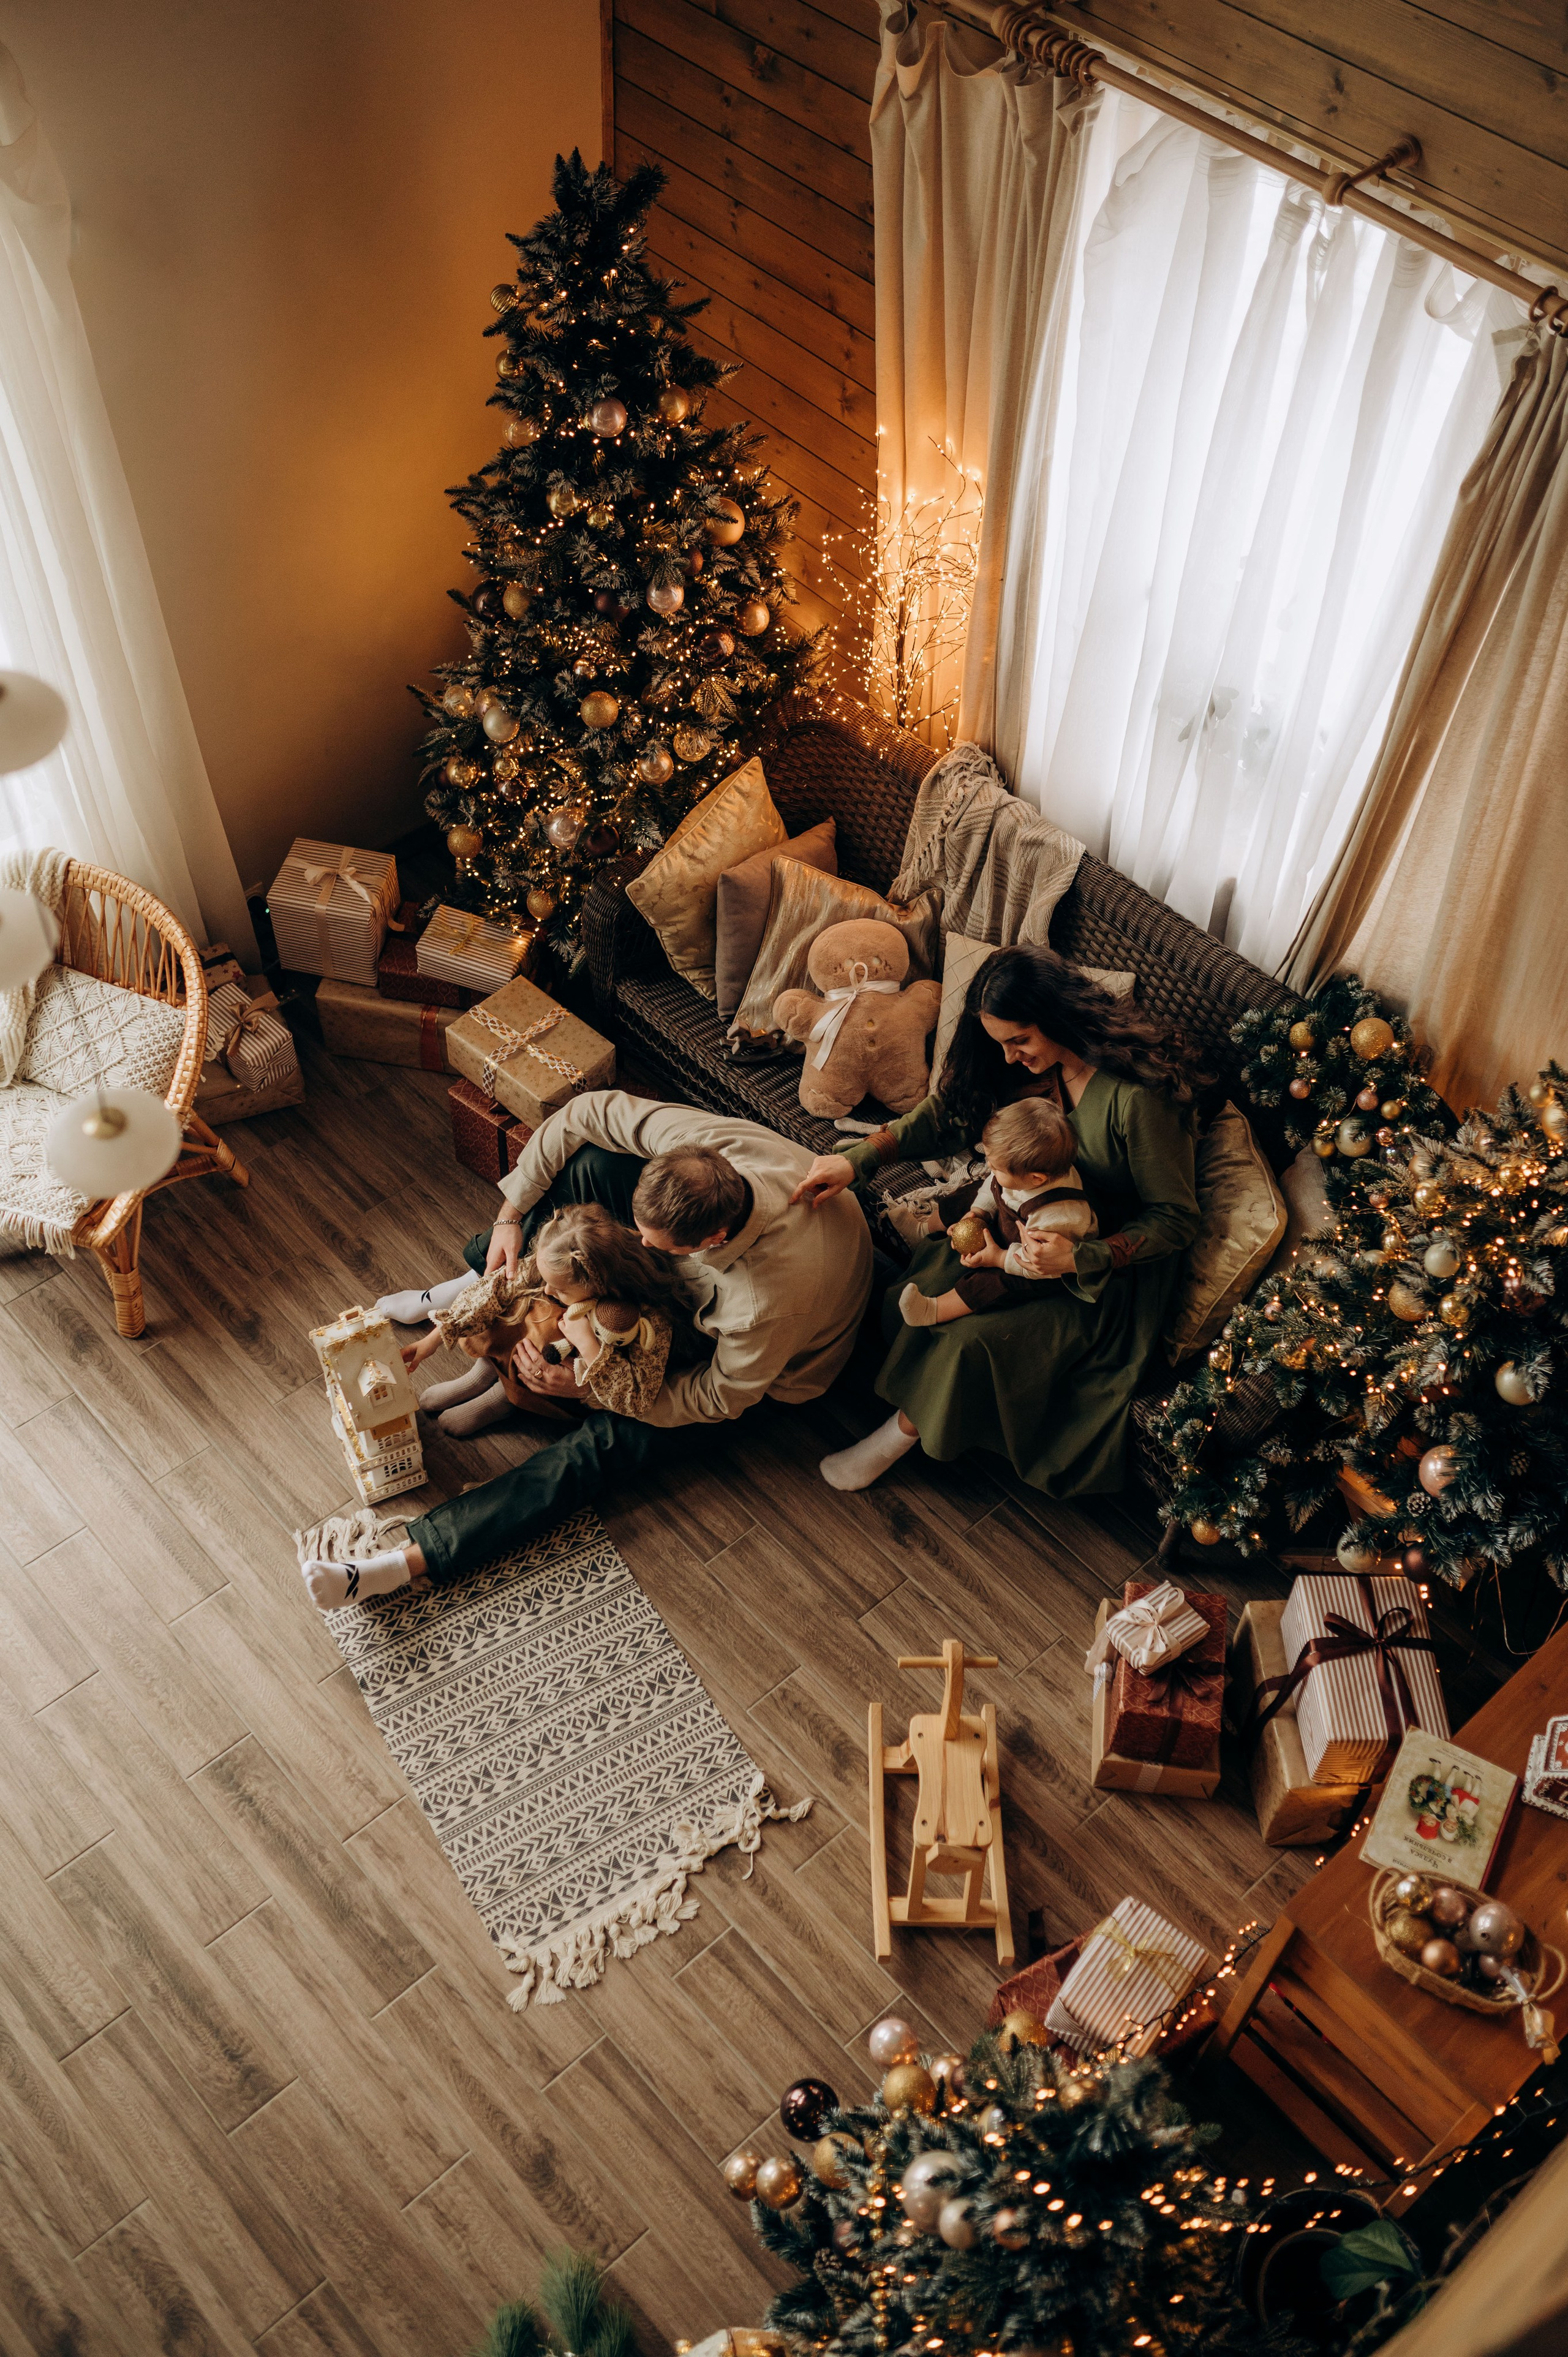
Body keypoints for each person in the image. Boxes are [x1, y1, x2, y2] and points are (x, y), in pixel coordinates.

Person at [301, 1091, 872, 1610]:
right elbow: (582, 1114)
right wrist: (510, 1218)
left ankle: (404, 1561)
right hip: (724, 1282)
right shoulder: (706, 1152)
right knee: (591, 1168)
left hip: (761, 1370)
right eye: (640, 1231)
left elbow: (718, 1398)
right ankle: (486, 1294)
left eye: (651, 1242)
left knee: (598, 1451)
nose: (637, 1243)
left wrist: (593, 1389)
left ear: (710, 1241)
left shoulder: (763, 1305)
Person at [790, 943, 1202, 1497]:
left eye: (1020, 1041)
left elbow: (1175, 1219)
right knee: (938, 1277)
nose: (1008, 1058)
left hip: (1098, 1270)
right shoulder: (1027, 1068)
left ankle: (896, 1438)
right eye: (1000, 1043)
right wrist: (859, 1159)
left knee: (973, 1339)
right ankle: (908, 1399)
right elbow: (948, 1114)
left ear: (1059, 1017)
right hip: (1020, 1221)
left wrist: (1080, 1257)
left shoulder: (1138, 1097)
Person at [401, 1202, 685, 1435]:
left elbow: (637, 1398)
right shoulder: (562, 1254)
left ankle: (507, 1398)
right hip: (531, 1342)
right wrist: (434, 1339)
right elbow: (492, 1291)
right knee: (514, 1297)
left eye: (560, 1289)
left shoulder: (650, 1317)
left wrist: (588, 1345)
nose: (549, 1290)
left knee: (551, 1327)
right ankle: (484, 1373)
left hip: (571, 1377)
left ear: (602, 1288)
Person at [897, 1094, 1096, 1327]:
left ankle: (933, 1310)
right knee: (966, 1195)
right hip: (1012, 1222)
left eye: (996, 1167)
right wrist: (979, 1211)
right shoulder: (1029, 1172)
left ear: (1036, 1179)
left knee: (994, 1284)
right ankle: (922, 1230)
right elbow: (994, 1184)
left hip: (1037, 1264)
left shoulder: (1057, 1218)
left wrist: (999, 1258)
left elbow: (1042, 1263)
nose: (989, 1167)